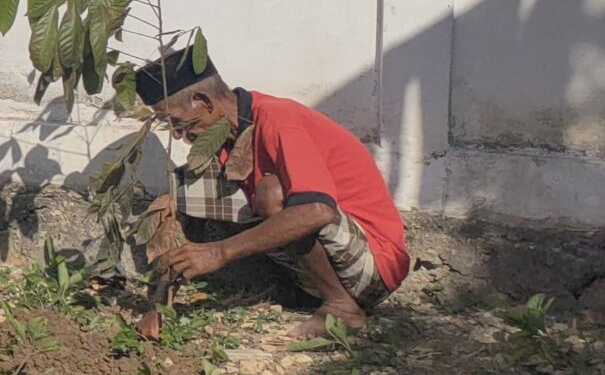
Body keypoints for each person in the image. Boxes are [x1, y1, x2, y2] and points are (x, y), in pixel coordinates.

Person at [135, 45, 412, 339]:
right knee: (187, 188)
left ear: (202, 101)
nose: (177, 134)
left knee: (272, 191)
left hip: (375, 266)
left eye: (176, 121)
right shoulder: (227, 137)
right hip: (336, 269)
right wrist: (160, 304)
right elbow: (187, 204)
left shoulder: (277, 119)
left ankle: (342, 308)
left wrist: (219, 252)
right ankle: (317, 294)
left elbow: (318, 211)